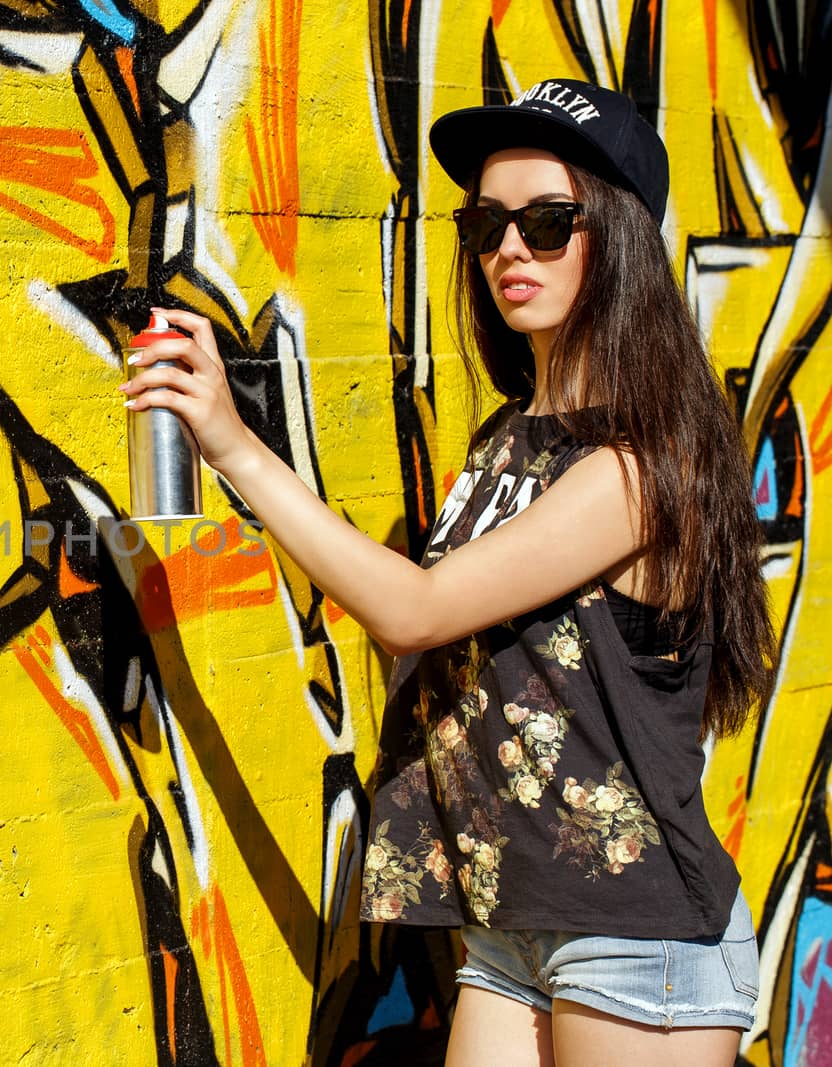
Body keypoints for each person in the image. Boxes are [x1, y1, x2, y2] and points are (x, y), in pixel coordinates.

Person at [118, 78, 778, 1065]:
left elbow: (414, 611)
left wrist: (235, 448)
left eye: (550, 222)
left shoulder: (641, 470)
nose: (510, 249)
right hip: (512, 924)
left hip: (635, 934)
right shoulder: (506, 442)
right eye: (488, 224)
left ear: (622, 238)